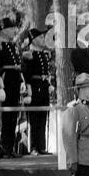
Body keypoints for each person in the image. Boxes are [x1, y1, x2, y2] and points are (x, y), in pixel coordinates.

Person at [0, 16, 25, 155]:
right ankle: (1, 146)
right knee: (3, 117)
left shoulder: (13, 46)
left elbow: (17, 66)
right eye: (10, 28)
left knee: (13, 115)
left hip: (14, 80)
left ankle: (9, 147)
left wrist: (21, 82)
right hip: (5, 81)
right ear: (3, 30)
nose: (13, 31)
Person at [21, 26, 55, 154]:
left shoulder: (44, 55)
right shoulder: (28, 55)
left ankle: (42, 146)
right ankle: (34, 147)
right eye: (40, 37)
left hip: (43, 88)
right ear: (33, 39)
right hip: (34, 88)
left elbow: (46, 73)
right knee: (34, 119)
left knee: (43, 118)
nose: (42, 39)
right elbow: (25, 75)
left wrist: (48, 84)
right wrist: (27, 93)